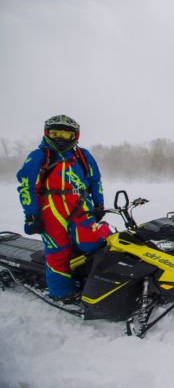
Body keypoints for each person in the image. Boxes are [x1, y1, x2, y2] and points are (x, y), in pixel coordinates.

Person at [16, 115, 110, 302]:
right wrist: (31, 214)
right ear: (46, 133)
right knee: (58, 252)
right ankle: (62, 293)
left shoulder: (82, 156)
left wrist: (99, 204)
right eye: (56, 133)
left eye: (66, 134)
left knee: (90, 242)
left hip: (81, 205)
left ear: (75, 136)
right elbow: (27, 186)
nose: (60, 138)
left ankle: (105, 230)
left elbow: (95, 181)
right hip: (50, 209)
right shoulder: (38, 156)